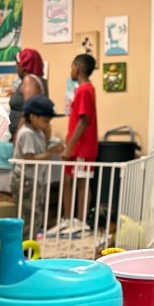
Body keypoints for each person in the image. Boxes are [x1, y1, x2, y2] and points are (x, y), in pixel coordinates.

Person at [11, 94, 64, 239]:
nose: (47, 124)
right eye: (45, 121)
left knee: (36, 214)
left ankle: (29, 242)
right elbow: (30, 159)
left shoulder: (38, 132)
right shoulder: (27, 133)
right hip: (25, 180)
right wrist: (51, 152)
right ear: (33, 117)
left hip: (34, 179)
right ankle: (24, 246)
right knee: (28, 215)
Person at [59, 53, 98, 234]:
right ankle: (68, 219)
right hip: (75, 146)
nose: (71, 70)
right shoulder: (82, 89)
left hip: (82, 147)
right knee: (67, 180)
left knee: (82, 183)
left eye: (72, 66)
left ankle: (81, 221)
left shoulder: (84, 90)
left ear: (78, 68)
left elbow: (84, 120)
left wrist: (69, 146)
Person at [8, 48, 49, 139]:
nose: (16, 67)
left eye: (18, 64)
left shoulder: (29, 80)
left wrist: (18, 134)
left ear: (24, 66)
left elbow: (29, 110)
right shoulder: (40, 81)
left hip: (25, 135)